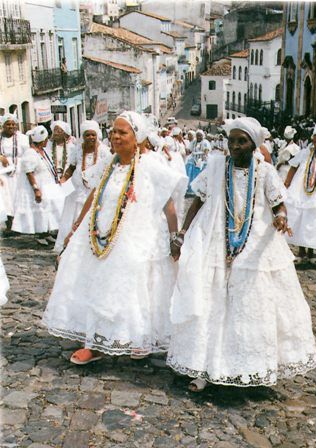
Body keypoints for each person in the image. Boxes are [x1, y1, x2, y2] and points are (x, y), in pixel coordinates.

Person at [167, 117, 316, 391]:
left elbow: (278, 204)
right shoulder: (214, 169)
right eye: (231, 141)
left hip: (255, 247)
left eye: (241, 141)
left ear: (253, 144)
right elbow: (198, 201)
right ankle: (204, 367)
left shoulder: (266, 172)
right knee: (212, 304)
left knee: (248, 307)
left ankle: (249, 368)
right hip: (215, 241)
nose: (235, 146)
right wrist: (183, 233)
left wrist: (281, 218)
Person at [43, 111, 187, 364]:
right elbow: (94, 194)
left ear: (137, 137)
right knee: (97, 286)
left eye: (123, 132)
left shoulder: (151, 164)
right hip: (100, 233)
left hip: (138, 236)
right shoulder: (109, 163)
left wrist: (176, 238)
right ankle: (95, 343)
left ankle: (136, 338)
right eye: (113, 131)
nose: (116, 136)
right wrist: (76, 227)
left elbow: (169, 206)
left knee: (134, 288)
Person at [54, 120, 110, 254]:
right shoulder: (77, 150)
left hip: (94, 193)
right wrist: (63, 179)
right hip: (77, 193)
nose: (91, 138)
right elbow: (72, 167)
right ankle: (70, 247)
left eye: (93, 135)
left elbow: (108, 170)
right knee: (73, 218)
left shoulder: (104, 151)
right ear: (82, 137)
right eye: (87, 135)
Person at [12, 126, 65, 246]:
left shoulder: (41, 151)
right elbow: (29, 172)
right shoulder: (30, 153)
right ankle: (40, 234)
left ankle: (46, 233)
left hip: (47, 185)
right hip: (38, 185)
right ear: (42, 140)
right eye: (46, 139)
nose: (48, 141)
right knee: (40, 210)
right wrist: (36, 189)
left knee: (48, 209)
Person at [284, 123, 316, 265]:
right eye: (315, 141)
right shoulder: (306, 152)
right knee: (301, 219)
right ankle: (301, 251)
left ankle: (312, 251)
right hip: (301, 191)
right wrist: (287, 183)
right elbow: (293, 166)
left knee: (313, 221)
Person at [0, 114, 29, 230]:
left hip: (18, 171)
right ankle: (9, 224)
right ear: (3, 125)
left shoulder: (22, 138)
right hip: (3, 172)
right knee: (5, 197)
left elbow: (27, 154)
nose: (11, 126)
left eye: (13, 124)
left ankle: (20, 225)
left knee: (18, 196)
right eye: (8, 124)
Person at [185, 130, 211, 195]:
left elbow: (206, 151)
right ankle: (191, 189)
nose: (198, 137)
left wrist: (202, 158)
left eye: (200, 135)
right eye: (197, 135)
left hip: (202, 158)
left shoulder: (205, 142)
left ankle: (200, 190)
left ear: (203, 136)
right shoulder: (194, 142)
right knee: (190, 168)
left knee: (200, 173)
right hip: (194, 158)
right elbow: (190, 149)